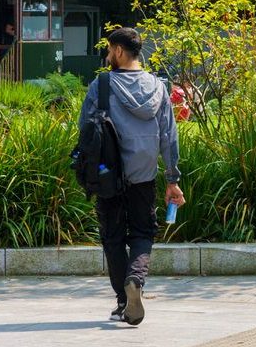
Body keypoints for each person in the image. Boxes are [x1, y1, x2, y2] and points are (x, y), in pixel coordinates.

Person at [79, 26, 184, 326]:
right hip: (144, 175)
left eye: (110, 50)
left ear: (120, 52)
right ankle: (135, 280)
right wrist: (173, 179)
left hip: (108, 175)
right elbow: (169, 136)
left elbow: (85, 131)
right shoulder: (158, 87)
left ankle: (123, 300)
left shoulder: (101, 85)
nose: (108, 55)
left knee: (112, 237)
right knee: (142, 232)